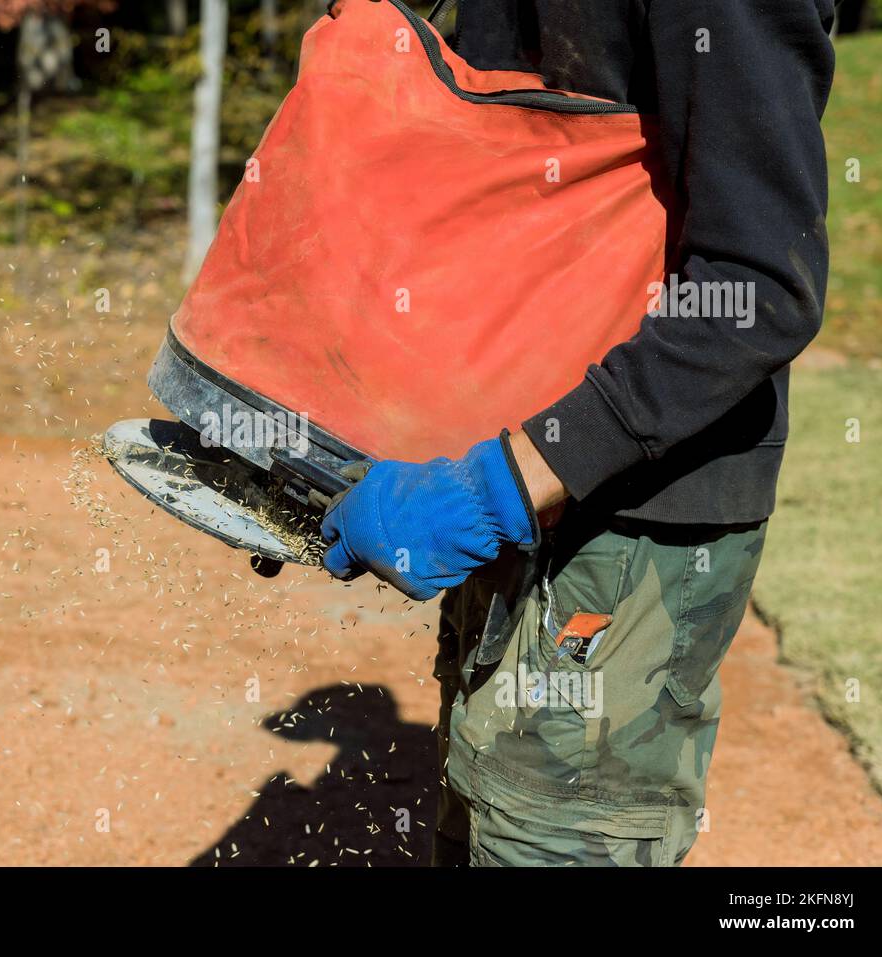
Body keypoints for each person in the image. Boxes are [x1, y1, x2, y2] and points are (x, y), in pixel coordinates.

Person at [320, 0, 837, 865]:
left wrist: (500, 489)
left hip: (635, 510)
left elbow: (757, 288)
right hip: (510, 453)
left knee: (548, 836)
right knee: (481, 804)